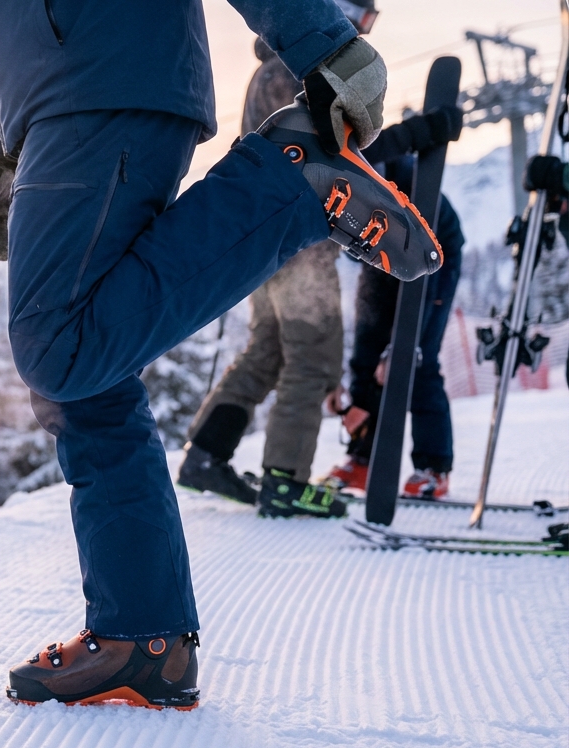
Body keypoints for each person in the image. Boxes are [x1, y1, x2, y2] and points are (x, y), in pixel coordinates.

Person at [0, 0, 442, 709]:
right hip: (64, 92)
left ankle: (287, 182)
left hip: (98, 79)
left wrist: (322, 41)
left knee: (59, 349)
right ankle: (142, 641)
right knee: (86, 376)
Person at [178, 1, 465, 516]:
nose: (363, 30)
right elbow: (332, 154)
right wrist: (417, 134)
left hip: (268, 238)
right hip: (298, 244)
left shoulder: (279, 67)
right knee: (314, 357)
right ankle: (286, 480)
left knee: (267, 350)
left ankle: (205, 453)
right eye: (363, 16)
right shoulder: (296, 69)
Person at [327, 158, 467, 498]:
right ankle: (363, 459)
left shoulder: (412, 181)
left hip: (434, 256)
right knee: (365, 355)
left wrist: (403, 345)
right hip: (379, 257)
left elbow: (426, 266)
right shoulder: (332, 175)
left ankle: (433, 468)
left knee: (415, 362)